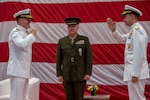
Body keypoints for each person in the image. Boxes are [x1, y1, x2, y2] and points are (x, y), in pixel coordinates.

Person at [107, 5, 149, 100]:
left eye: (125, 17)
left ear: (132, 17)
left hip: (136, 73)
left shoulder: (138, 31)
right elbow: (122, 39)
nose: (124, 20)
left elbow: (139, 54)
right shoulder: (133, 31)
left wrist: (135, 73)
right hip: (134, 72)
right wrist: (113, 30)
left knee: (137, 98)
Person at [56, 17, 92, 100]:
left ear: (77, 27)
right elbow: (58, 59)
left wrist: (88, 73)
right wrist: (59, 73)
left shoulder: (84, 40)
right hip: (67, 74)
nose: (71, 28)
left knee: (79, 97)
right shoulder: (62, 41)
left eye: (73, 26)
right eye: (69, 26)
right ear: (67, 28)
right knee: (68, 97)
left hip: (80, 74)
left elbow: (88, 58)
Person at [7, 9, 38, 100]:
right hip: (17, 71)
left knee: (23, 97)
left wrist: (30, 34)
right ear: (20, 20)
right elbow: (21, 44)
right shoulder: (15, 32)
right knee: (16, 97)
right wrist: (32, 34)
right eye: (27, 19)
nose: (30, 21)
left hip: (23, 71)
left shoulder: (24, 32)